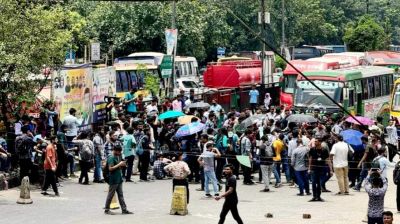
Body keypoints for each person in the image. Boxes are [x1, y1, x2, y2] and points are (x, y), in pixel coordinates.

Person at [104, 145, 133, 215]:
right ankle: (107, 209)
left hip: (118, 178)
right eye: (119, 151)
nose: (120, 153)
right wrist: (119, 164)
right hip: (113, 179)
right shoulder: (111, 157)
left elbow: (118, 166)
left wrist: (122, 165)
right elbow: (110, 168)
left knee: (120, 194)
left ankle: (124, 209)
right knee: (110, 194)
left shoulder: (118, 156)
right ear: (115, 151)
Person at [308, 137, 332, 202]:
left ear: (320, 142)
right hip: (314, 168)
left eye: (316, 141)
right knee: (313, 182)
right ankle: (314, 196)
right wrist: (309, 168)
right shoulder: (312, 149)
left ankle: (318, 196)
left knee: (319, 183)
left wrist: (330, 169)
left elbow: (328, 160)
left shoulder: (324, 150)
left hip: (321, 168)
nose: (315, 142)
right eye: (315, 141)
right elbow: (310, 159)